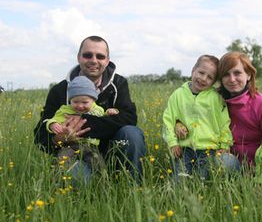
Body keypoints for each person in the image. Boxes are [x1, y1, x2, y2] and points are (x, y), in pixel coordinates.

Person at [34, 35, 146, 183]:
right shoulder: (60, 90)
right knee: (79, 180)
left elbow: (129, 118)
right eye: (87, 55)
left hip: (110, 150)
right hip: (74, 152)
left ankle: (134, 187)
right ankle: (90, 186)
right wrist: (60, 138)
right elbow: (40, 136)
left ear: (107, 60)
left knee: (132, 133)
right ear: (79, 57)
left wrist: (84, 123)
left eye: (100, 56)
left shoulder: (118, 84)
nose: (94, 60)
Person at [163, 55, 233, 180]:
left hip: (209, 149)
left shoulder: (215, 98)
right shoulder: (178, 95)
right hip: (185, 148)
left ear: (214, 81)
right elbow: (168, 119)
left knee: (201, 180)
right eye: (201, 72)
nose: (203, 79)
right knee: (179, 179)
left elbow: (224, 123)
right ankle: (174, 197)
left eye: (210, 77)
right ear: (193, 70)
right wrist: (173, 142)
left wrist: (225, 145)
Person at [46, 76, 119, 177]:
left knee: (99, 165)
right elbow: (53, 119)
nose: (80, 106)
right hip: (70, 145)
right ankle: (55, 180)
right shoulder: (64, 110)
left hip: (91, 146)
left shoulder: (98, 110)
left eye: (85, 102)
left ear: (93, 100)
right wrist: (52, 124)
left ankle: (103, 183)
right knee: (61, 160)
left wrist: (109, 112)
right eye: (75, 102)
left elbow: (103, 120)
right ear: (70, 100)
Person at [217, 51, 262, 171]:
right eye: (226, 74)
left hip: (255, 166)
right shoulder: (214, 100)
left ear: (249, 75)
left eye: (237, 73)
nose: (232, 79)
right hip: (221, 159)